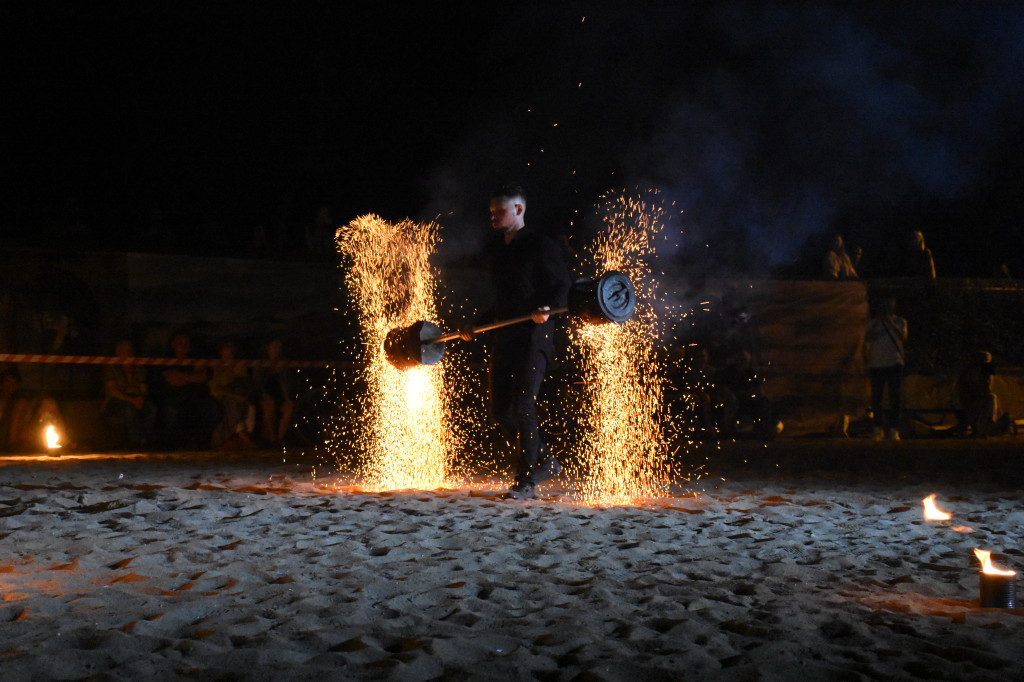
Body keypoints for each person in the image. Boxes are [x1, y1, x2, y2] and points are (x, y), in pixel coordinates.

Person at [459, 183, 570, 499]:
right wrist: (475, 326)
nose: (493, 217)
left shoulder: (539, 245)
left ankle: (526, 481)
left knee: (523, 406)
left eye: (500, 211)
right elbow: (503, 302)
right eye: (491, 212)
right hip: (504, 337)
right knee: (502, 412)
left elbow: (562, 286)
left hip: (534, 336)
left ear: (519, 209)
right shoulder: (497, 250)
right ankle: (545, 462)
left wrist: (547, 309)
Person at [153, 332, 221, 450]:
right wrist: (193, 377)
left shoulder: (195, 358)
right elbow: (172, 380)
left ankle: (202, 443)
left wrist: (183, 377)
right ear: (173, 344)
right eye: (180, 343)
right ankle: (173, 446)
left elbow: (203, 376)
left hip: (196, 398)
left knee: (213, 409)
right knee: (170, 411)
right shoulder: (166, 360)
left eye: (185, 343)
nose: (183, 346)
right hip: (174, 398)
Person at [863, 297, 907, 440]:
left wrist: (891, 324)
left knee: (895, 399)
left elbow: (903, 337)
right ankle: (878, 429)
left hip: (894, 363)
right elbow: (867, 338)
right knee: (877, 399)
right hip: (876, 364)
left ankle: (894, 430)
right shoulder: (872, 323)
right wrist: (877, 322)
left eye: (890, 305)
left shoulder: (900, 321)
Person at [102, 340, 157, 448]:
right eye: (126, 351)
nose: (130, 354)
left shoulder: (139, 369)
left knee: (152, 409)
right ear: (118, 353)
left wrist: (141, 399)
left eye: (131, 351)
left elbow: (143, 389)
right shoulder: (112, 368)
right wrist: (131, 400)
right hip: (117, 400)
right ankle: (135, 441)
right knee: (128, 409)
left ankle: (146, 439)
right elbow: (112, 390)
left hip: (136, 398)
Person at [208, 339, 256, 449]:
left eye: (230, 352)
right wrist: (233, 395)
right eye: (225, 352)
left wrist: (241, 396)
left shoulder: (239, 367)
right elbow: (215, 390)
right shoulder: (216, 367)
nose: (228, 355)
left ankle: (241, 437)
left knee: (250, 408)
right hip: (222, 399)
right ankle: (225, 440)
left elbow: (243, 385)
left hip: (240, 399)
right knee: (232, 406)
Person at [954, 350, 1010, 437]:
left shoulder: (984, 371)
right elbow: (968, 390)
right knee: (991, 398)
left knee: (992, 398)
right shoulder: (970, 371)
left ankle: (991, 424)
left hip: (978, 401)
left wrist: (988, 378)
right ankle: (989, 426)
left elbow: (987, 390)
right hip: (969, 402)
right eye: (984, 361)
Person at [252, 338, 294, 446]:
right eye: (274, 346)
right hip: (264, 396)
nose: (277, 350)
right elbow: (257, 385)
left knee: (289, 407)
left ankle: (279, 440)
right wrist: (264, 395)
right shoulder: (261, 364)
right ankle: (272, 441)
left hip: (279, 396)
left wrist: (287, 397)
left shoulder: (283, 364)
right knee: (268, 407)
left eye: (279, 347)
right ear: (268, 348)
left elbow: (286, 384)